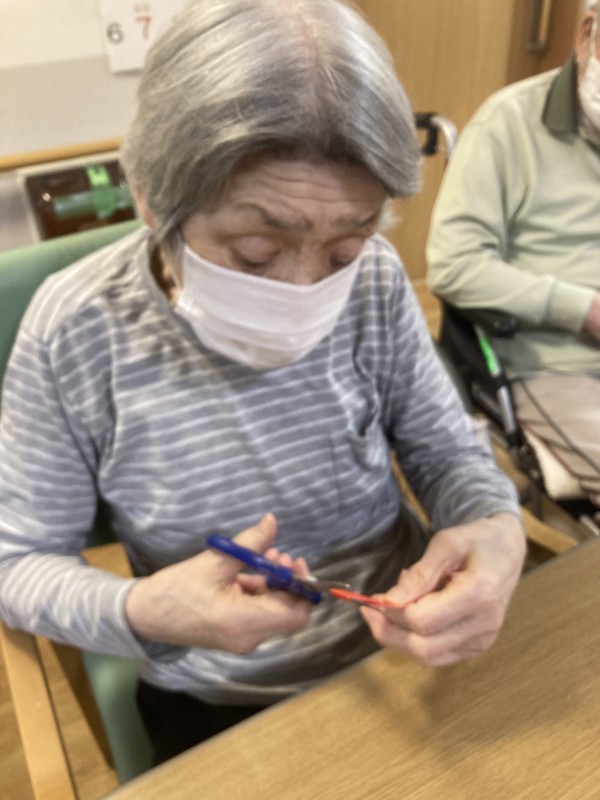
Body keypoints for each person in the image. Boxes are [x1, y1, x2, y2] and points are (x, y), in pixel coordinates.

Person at [0, 0, 525, 764]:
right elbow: (17, 562)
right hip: (223, 701)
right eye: (253, 252)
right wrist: (145, 609)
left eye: (343, 250)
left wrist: (494, 526)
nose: (302, 292)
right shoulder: (77, 331)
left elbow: (447, 455)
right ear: (150, 194)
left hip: (407, 657)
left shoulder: (376, 281)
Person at [427, 1, 600, 507]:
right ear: (588, 32)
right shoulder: (507, 124)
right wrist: (584, 309)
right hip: (556, 362)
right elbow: (454, 264)